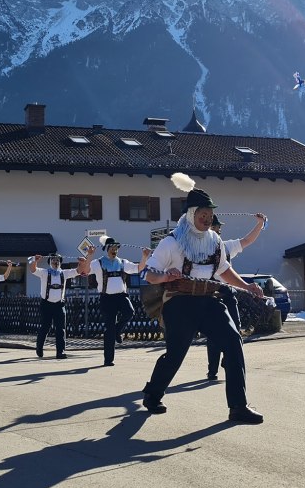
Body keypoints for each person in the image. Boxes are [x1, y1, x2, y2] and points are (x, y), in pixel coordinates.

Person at [141, 174, 265, 424]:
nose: (208, 220)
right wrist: (166, 275)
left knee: (232, 341)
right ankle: (153, 394)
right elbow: (148, 275)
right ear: (191, 214)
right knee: (176, 354)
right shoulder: (171, 242)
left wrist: (247, 286)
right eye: (203, 215)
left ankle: (238, 407)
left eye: (210, 216)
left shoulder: (215, 241)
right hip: (179, 303)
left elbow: (223, 271)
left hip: (210, 301)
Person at [205, 213, 266, 381]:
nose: (219, 230)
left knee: (235, 327)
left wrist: (260, 225)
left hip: (227, 291)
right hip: (209, 293)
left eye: (218, 227)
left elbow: (247, 241)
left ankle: (227, 358)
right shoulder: (201, 247)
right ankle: (212, 370)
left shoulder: (226, 246)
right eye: (216, 227)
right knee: (213, 334)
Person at [78, 238, 150, 367]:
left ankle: (118, 331)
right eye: (112, 248)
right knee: (109, 330)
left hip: (121, 296)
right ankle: (108, 359)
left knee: (129, 312)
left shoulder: (123, 262)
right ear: (106, 249)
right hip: (107, 298)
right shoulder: (98, 262)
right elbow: (86, 271)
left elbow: (139, 268)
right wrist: (89, 255)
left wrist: (144, 257)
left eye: (116, 248)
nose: (114, 250)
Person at [29, 254, 79, 359]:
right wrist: (35, 260)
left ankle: (60, 352)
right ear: (50, 262)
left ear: (60, 262)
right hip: (46, 304)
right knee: (45, 327)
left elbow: (78, 271)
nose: (55, 262)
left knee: (61, 329)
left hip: (59, 305)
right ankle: (39, 347)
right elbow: (33, 269)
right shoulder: (44, 272)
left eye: (57, 260)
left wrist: (83, 262)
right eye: (53, 260)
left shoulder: (64, 273)